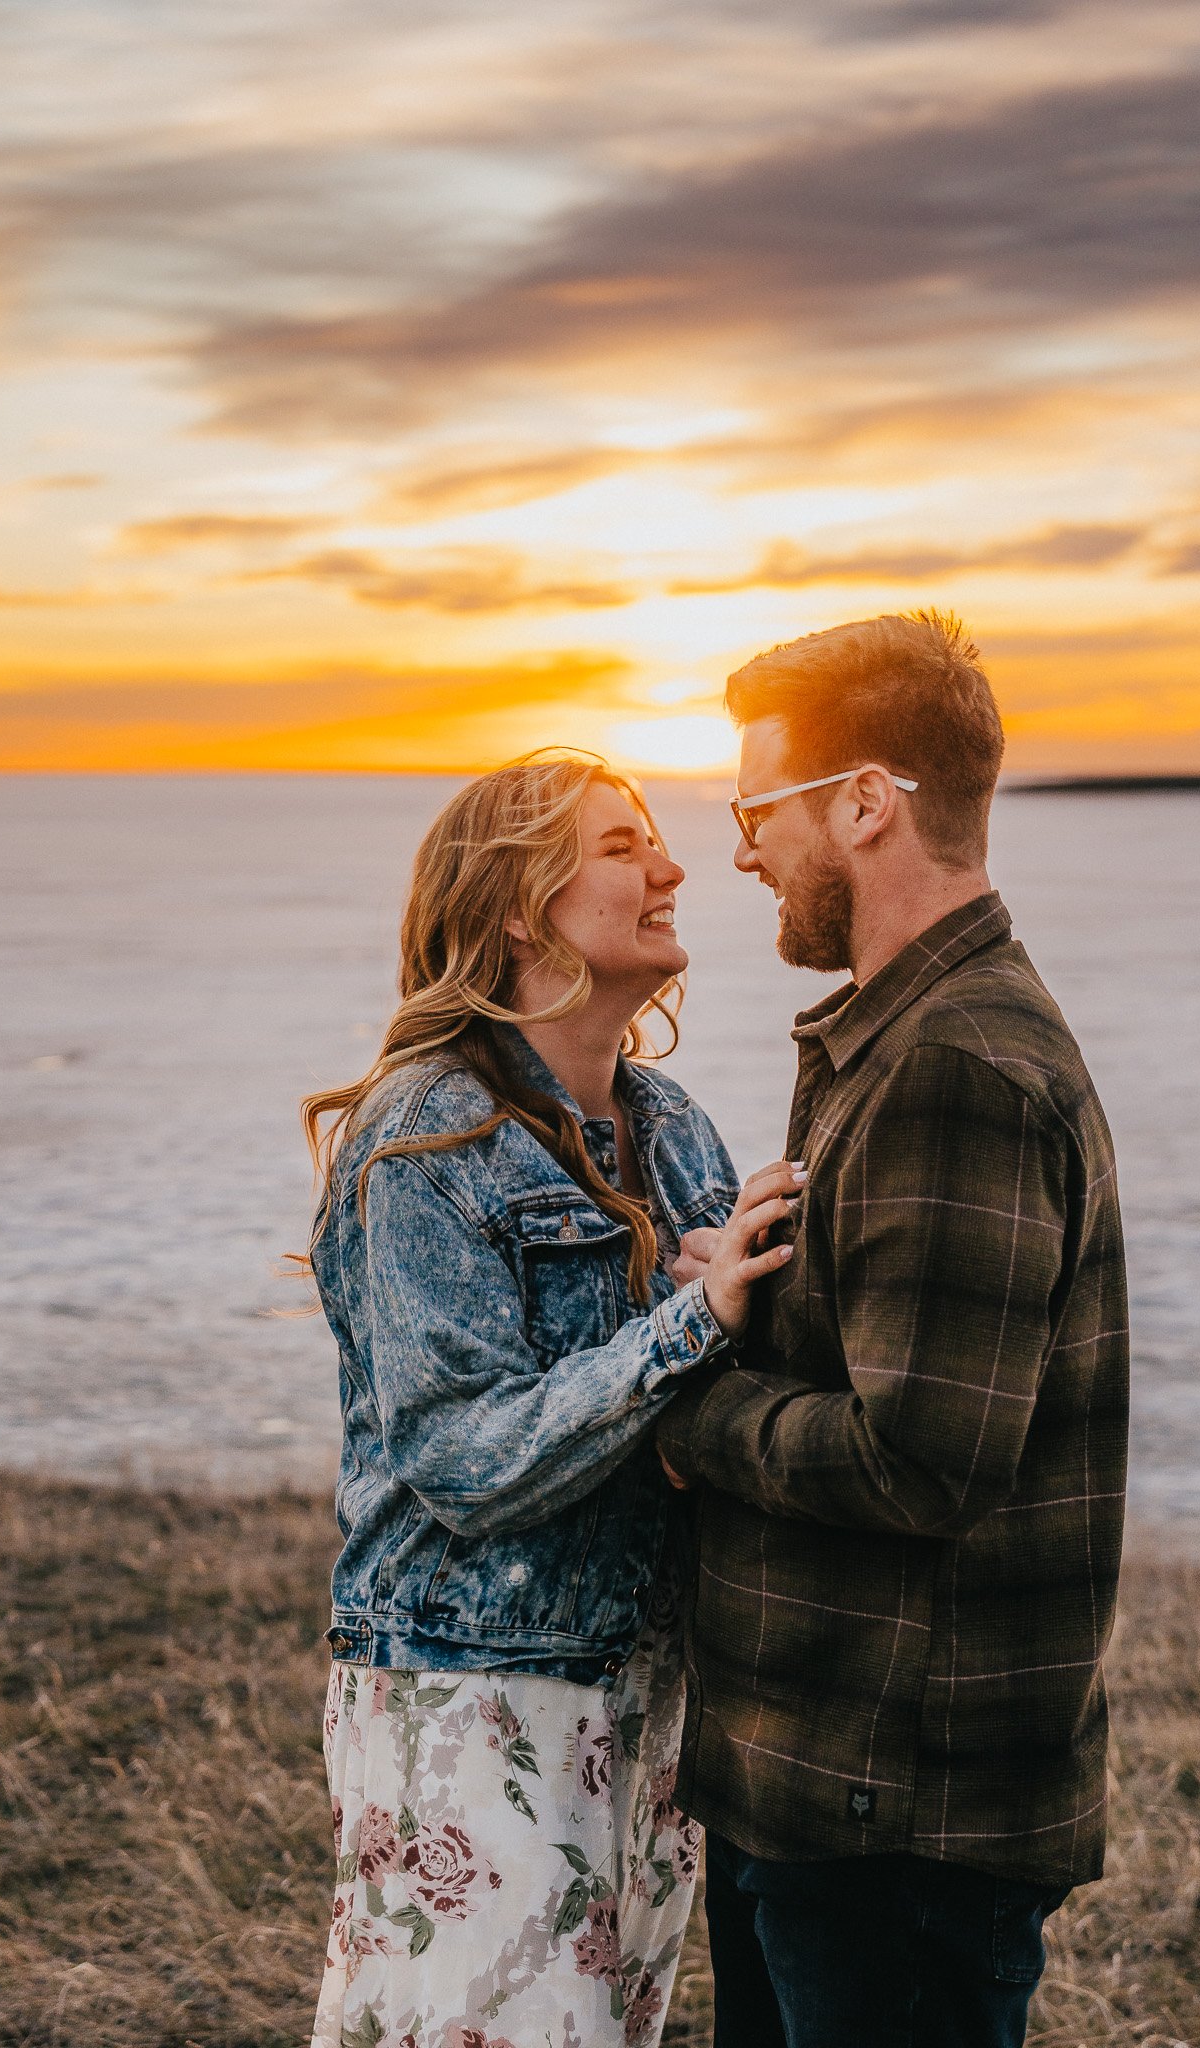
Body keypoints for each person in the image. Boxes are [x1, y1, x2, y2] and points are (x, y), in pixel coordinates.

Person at [659, 613, 1130, 2048]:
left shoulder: (953, 1069)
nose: (740, 852)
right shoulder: (893, 1039)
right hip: (823, 1788)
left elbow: (917, 1461)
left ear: (864, 803)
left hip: (890, 1815)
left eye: (756, 810)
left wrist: (685, 1389)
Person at [298, 753, 800, 2048]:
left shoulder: (670, 1122)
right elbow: (463, 1460)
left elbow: (707, 1392)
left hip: (650, 1690)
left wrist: (751, 1309)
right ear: (521, 905)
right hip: (473, 1690)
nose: (674, 867)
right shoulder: (420, 1146)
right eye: (625, 844)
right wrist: (697, 1317)